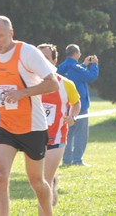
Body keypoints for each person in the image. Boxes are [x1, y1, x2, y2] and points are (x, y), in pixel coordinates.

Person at [0, 16, 59, 216]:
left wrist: (22, 93)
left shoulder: (27, 53)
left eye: (0, 35)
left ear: (11, 33)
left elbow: (52, 84)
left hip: (32, 126)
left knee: (37, 182)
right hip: (5, 125)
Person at [36, 43, 81, 210]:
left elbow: (76, 103)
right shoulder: (28, 83)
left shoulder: (66, 84)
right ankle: (53, 183)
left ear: (54, 61)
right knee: (38, 181)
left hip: (56, 137)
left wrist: (73, 116)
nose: (42, 62)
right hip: (33, 137)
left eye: (46, 58)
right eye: (38, 58)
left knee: (43, 181)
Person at [56, 44, 98, 166]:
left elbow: (76, 73)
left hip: (65, 105)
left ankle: (66, 160)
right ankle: (77, 160)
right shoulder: (75, 67)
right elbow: (91, 76)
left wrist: (84, 64)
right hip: (79, 106)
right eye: (79, 53)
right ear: (75, 53)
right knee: (81, 133)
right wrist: (94, 64)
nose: (80, 55)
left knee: (68, 133)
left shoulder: (62, 67)